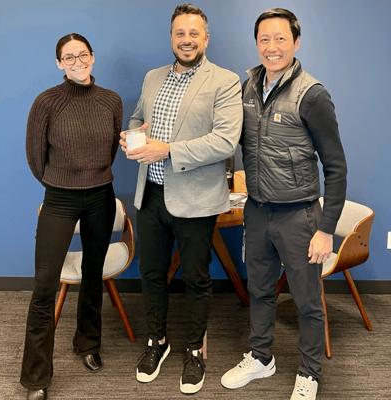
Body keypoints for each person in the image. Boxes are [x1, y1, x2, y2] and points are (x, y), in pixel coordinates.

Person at [221, 8, 347, 400]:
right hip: (257, 211)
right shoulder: (246, 87)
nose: (272, 47)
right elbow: (230, 140)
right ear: (256, 43)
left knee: (307, 301)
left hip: (299, 215)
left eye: (280, 38)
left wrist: (325, 229)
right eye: (264, 39)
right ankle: (261, 357)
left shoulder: (312, 94)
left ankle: (310, 373)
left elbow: (336, 167)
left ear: (296, 42)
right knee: (259, 290)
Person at [119, 3, 242, 395]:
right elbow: (138, 118)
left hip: (196, 199)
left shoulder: (225, 81)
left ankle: (194, 350)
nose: (186, 40)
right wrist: (132, 136)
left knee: (195, 278)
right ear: (171, 37)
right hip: (151, 194)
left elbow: (225, 141)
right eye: (180, 33)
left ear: (206, 38)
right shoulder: (153, 77)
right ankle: (157, 342)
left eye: (193, 33)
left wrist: (167, 149)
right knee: (152, 274)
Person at [21, 33, 123, 400]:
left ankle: (88, 343)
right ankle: (36, 377)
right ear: (59, 63)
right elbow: (36, 158)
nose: (77, 61)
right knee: (44, 287)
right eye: (69, 57)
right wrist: (64, 183)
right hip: (60, 200)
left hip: (101, 197)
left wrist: (91, 179)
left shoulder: (111, 101)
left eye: (82, 54)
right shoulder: (46, 102)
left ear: (93, 57)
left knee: (93, 275)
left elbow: (110, 152)